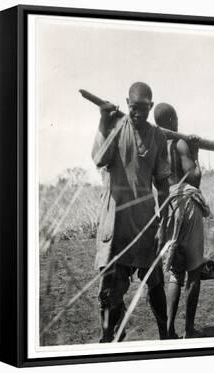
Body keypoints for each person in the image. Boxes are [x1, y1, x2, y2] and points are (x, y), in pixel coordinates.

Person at [92, 82, 171, 342]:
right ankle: (107, 339)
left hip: (145, 222)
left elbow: (162, 182)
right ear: (127, 103)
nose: (138, 113)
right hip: (116, 222)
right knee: (110, 290)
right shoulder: (114, 127)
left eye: (144, 108)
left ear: (151, 105)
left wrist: (164, 220)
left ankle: (166, 336)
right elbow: (100, 159)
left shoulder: (158, 136)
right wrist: (104, 118)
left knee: (155, 282)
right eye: (134, 108)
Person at [153, 103, 210, 339]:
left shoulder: (155, 147)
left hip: (167, 207)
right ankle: (189, 330)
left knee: (176, 273)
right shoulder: (180, 143)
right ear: (173, 120)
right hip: (187, 204)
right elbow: (194, 178)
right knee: (194, 272)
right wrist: (195, 154)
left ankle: (168, 331)